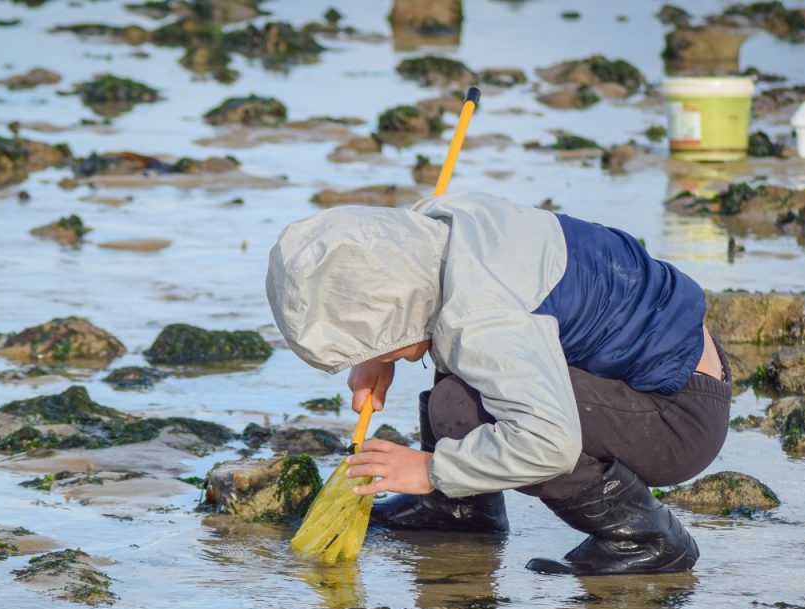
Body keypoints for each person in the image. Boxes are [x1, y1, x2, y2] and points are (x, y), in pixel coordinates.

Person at [266, 192, 730, 576]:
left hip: (677, 415)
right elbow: (406, 294)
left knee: (462, 408)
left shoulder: (481, 317)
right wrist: (378, 353)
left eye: (369, 343)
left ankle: (646, 538)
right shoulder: (437, 223)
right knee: (460, 354)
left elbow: (550, 443)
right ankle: (461, 510)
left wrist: (429, 470)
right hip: (656, 361)